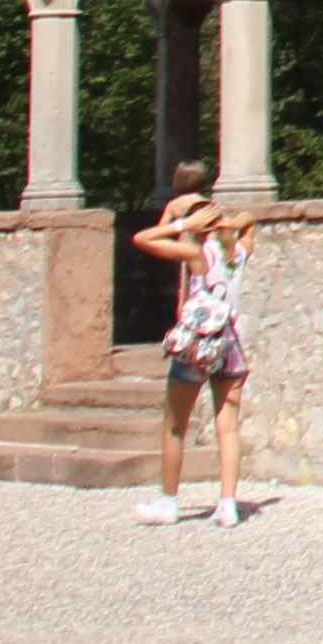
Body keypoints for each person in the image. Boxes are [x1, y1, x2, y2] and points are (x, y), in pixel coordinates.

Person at [130, 174, 261, 527]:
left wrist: (182, 223)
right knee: (228, 426)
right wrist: (226, 222)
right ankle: (228, 504)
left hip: (198, 342)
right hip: (231, 341)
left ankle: (169, 501)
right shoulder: (237, 252)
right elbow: (250, 219)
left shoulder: (195, 252)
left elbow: (142, 238)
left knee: (175, 424)